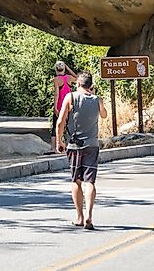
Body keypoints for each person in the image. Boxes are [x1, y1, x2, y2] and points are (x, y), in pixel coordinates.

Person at [55, 72, 108, 230]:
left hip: (74, 146)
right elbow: (104, 115)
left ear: (78, 84)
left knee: (76, 181)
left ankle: (79, 217)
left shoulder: (70, 97)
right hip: (92, 145)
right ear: (90, 85)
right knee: (90, 182)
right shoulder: (97, 99)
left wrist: (59, 141)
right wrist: (97, 99)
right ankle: (89, 216)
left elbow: (60, 122)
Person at [50, 61, 77, 140]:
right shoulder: (69, 78)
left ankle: (54, 148)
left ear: (56, 69)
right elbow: (78, 78)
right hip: (69, 106)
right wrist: (68, 68)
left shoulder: (56, 80)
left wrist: (55, 107)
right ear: (64, 68)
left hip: (59, 106)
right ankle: (69, 144)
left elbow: (56, 94)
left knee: (56, 126)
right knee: (69, 126)